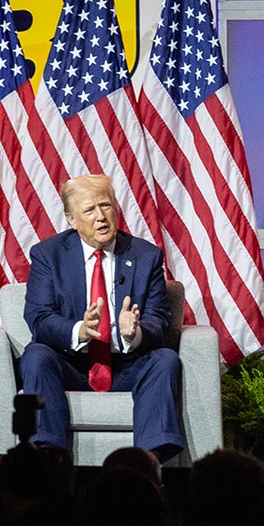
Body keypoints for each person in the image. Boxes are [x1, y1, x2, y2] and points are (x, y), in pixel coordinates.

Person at [20, 174, 185, 463]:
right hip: (71, 365)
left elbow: (159, 319)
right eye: (89, 210)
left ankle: (148, 463)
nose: (101, 217)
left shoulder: (146, 256)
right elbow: (39, 318)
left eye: (106, 206)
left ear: (117, 210)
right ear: (72, 219)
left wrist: (134, 334)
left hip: (127, 366)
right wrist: (80, 330)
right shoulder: (48, 255)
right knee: (36, 355)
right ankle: (46, 460)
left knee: (165, 359)